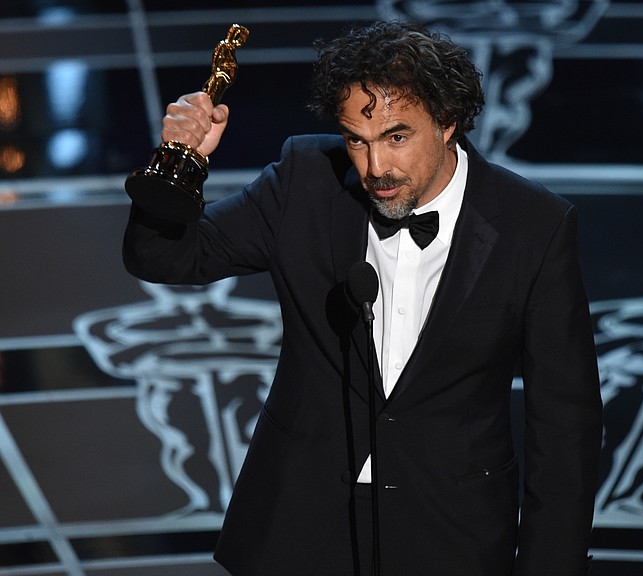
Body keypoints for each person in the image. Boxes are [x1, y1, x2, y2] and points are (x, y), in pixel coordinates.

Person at [123, 20, 602, 576]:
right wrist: (180, 163)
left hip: (452, 533)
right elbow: (166, 259)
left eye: (397, 137)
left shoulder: (533, 226)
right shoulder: (306, 180)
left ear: (448, 123)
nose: (377, 168)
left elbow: (565, 422)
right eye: (357, 139)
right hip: (300, 527)